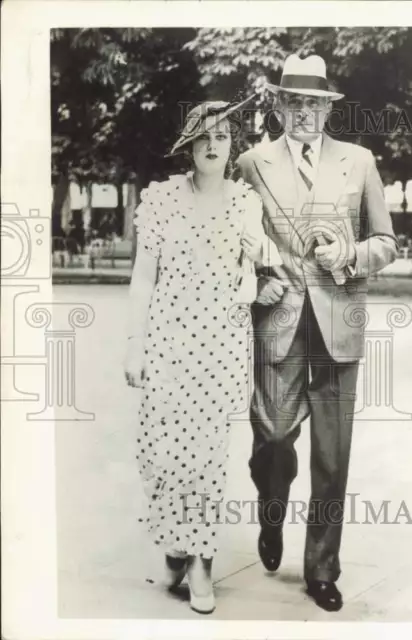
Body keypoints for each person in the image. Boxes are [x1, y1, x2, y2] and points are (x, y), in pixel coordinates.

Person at [236, 54, 399, 612]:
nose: (304, 111)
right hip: (278, 317)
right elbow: (238, 240)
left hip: (339, 319)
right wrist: (257, 280)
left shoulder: (360, 161)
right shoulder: (252, 163)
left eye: (314, 103)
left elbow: (388, 242)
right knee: (275, 439)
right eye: (294, 101)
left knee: (332, 455)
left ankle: (323, 569)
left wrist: (348, 253)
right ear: (279, 106)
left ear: (327, 109)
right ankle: (272, 507)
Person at [124, 98, 281, 615]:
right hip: (167, 345)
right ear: (188, 146)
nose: (213, 145)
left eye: (222, 137)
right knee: (160, 455)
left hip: (221, 347)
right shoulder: (161, 199)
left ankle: (201, 563)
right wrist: (134, 346)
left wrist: (259, 266)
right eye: (203, 137)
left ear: (232, 145)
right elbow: (144, 279)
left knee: (208, 459)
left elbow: (259, 255)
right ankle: (174, 543)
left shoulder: (244, 203)